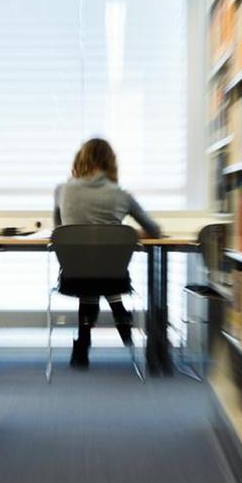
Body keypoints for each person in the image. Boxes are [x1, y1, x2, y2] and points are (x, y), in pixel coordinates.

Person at [54, 137, 161, 369]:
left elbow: (59, 231)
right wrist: (126, 234)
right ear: (110, 163)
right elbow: (155, 230)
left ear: (81, 160)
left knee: (88, 267)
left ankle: (83, 342)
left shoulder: (61, 190)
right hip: (114, 278)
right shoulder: (121, 195)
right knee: (102, 266)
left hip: (74, 276)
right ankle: (119, 313)